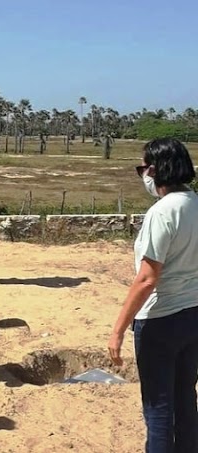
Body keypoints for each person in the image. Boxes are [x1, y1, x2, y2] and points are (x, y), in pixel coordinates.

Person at [108, 138, 198, 452]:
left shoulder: (162, 213)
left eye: (142, 168)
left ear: (157, 169)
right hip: (192, 313)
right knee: (186, 398)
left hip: (160, 320)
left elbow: (146, 280)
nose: (143, 175)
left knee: (158, 406)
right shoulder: (195, 204)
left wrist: (118, 329)